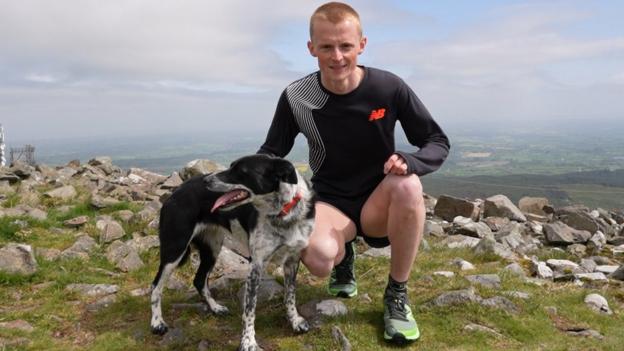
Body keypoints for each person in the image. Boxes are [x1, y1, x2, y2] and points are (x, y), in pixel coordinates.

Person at [258, 2, 449, 343]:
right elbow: (272, 150)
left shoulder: (388, 88)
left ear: (361, 44)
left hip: (379, 202)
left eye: (346, 46)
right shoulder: (297, 97)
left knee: (408, 185)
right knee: (318, 260)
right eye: (326, 46)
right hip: (331, 200)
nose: (337, 56)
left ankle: (396, 295)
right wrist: (242, 181)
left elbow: (436, 141)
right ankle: (344, 259)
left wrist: (411, 161)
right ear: (311, 48)